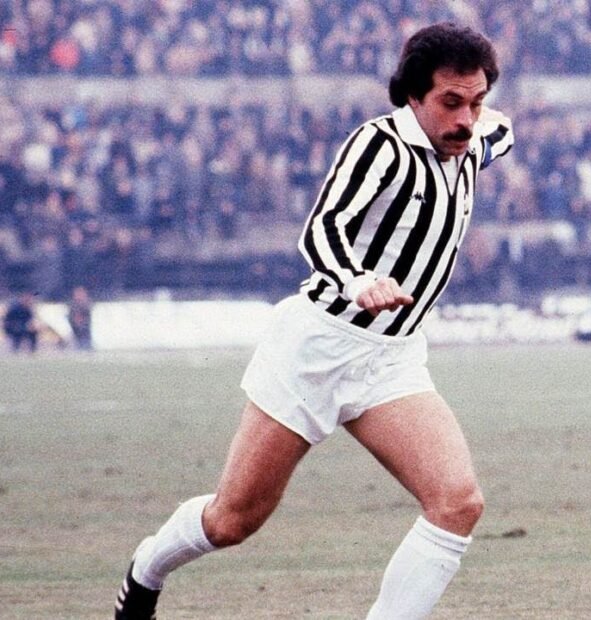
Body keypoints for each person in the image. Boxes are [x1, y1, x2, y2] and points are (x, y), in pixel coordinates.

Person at [115, 22, 513, 620]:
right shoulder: (380, 146)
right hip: (319, 347)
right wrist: (359, 281)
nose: (465, 119)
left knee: (458, 503)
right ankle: (147, 570)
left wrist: (486, 120)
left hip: (392, 358)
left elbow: (500, 130)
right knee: (234, 520)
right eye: (450, 102)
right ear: (412, 96)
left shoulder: (475, 138)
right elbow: (322, 228)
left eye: (476, 103)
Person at [67, 286, 93, 350]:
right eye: (78, 293)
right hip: (76, 333)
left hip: (85, 333)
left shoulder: (87, 305)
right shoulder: (73, 306)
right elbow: (73, 319)